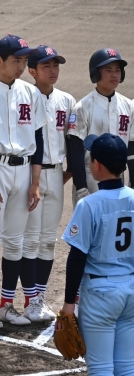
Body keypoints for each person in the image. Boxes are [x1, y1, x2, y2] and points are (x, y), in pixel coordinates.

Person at [0, 35, 48, 327]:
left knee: (15, 242)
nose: (21, 66)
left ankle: (6, 305)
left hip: (24, 170)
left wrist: (35, 182)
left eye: (24, 61)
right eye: (16, 60)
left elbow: (39, 138)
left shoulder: (31, 93)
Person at [59, 133, 134, 375]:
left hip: (100, 295)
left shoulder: (89, 204)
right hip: (130, 291)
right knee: (127, 368)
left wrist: (69, 304)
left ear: (97, 165)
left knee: (101, 368)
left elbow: (77, 257)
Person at [20, 45, 75, 322]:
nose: (53, 71)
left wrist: (67, 174)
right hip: (31, 176)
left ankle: (38, 298)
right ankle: (30, 300)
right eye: (46, 66)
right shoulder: (24, 99)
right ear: (32, 71)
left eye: (56, 65)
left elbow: (72, 141)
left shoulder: (67, 100)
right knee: (31, 240)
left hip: (56, 174)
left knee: (49, 241)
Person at [68, 48, 134, 205]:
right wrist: (81, 187)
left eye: (118, 70)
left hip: (119, 178)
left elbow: (132, 147)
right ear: (95, 73)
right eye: (108, 70)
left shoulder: (128, 106)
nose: (114, 75)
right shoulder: (82, 107)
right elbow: (75, 151)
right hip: (90, 178)